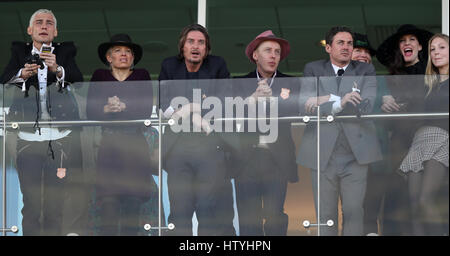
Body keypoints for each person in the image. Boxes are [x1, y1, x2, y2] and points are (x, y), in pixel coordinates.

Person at [0, 9, 84, 235]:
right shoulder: (20, 51)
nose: (44, 26)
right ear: (30, 30)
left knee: (55, 205)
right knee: (32, 204)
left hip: (60, 140)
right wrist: (23, 74)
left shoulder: (65, 51)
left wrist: (58, 69)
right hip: (28, 138)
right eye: (39, 23)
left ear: (55, 32)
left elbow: (79, 81)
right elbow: (4, 79)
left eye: (49, 23)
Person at [297, 26, 382, 236]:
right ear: (328, 48)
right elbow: (303, 105)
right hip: (321, 153)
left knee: (354, 211)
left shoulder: (365, 70)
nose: (346, 47)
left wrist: (324, 100)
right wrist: (340, 101)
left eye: (350, 43)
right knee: (325, 215)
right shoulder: (313, 69)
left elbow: (367, 104)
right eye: (340, 43)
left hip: (356, 153)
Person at [159, 24, 235, 235]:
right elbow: (164, 109)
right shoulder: (169, 66)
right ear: (182, 47)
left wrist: (187, 109)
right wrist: (195, 109)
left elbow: (225, 102)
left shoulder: (217, 65)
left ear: (207, 49)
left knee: (208, 209)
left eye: (201, 42)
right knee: (179, 212)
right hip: (177, 150)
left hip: (210, 147)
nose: (196, 46)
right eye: (191, 41)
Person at [86, 34, 157, 235]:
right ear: (109, 57)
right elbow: (91, 111)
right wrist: (107, 109)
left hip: (135, 143)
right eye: (118, 51)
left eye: (128, 52)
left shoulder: (142, 75)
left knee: (133, 208)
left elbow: (145, 110)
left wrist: (124, 106)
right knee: (108, 205)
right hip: (109, 145)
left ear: (133, 58)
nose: (123, 54)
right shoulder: (100, 75)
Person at [231, 30, 299, 235]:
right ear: (255, 55)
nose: (273, 56)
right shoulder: (238, 83)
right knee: (248, 217)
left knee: (275, 216)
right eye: (268, 50)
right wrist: (253, 98)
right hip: (246, 160)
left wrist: (273, 100)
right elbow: (230, 116)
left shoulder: (291, 82)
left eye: (277, 52)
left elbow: (296, 112)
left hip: (276, 159)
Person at [376, 24, 433, 235]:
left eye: (411, 39)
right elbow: (385, 121)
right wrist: (386, 108)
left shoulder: (432, 74)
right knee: (397, 192)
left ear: (420, 46)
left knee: (422, 193)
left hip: (426, 138)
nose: (406, 43)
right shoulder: (392, 78)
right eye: (402, 41)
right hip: (400, 140)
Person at [398, 33, 449, 235]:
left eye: (441, 47)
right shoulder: (428, 83)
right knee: (413, 205)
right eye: (432, 49)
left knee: (425, 199)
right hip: (420, 140)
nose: (436, 52)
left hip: (444, 140)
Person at [351, 33, 390, 236]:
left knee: (371, 211)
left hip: (376, 153)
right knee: (351, 212)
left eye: (367, 52)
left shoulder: (381, 81)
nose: (364, 55)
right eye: (359, 50)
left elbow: (388, 106)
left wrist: (388, 101)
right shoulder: (337, 80)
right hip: (347, 155)